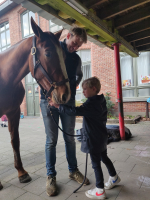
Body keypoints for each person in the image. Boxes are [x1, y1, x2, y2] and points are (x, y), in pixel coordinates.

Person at [50, 77, 121, 199]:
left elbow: (75, 111)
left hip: (93, 139)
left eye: (85, 89)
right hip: (102, 136)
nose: (83, 91)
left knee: (95, 164)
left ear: (94, 89)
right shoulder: (100, 100)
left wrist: (58, 107)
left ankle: (99, 190)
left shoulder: (91, 104)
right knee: (104, 157)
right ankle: (114, 177)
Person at [40, 26, 89, 197]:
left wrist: (75, 82)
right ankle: (51, 176)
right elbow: (40, 71)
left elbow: (79, 75)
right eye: (74, 43)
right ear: (68, 35)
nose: (75, 48)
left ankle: (73, 170)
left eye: (78, 46)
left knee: (69, 138)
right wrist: (49, 97)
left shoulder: (76, 59)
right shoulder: (52, 48)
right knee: (51, 140)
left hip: (68, 102)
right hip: (49, 102)